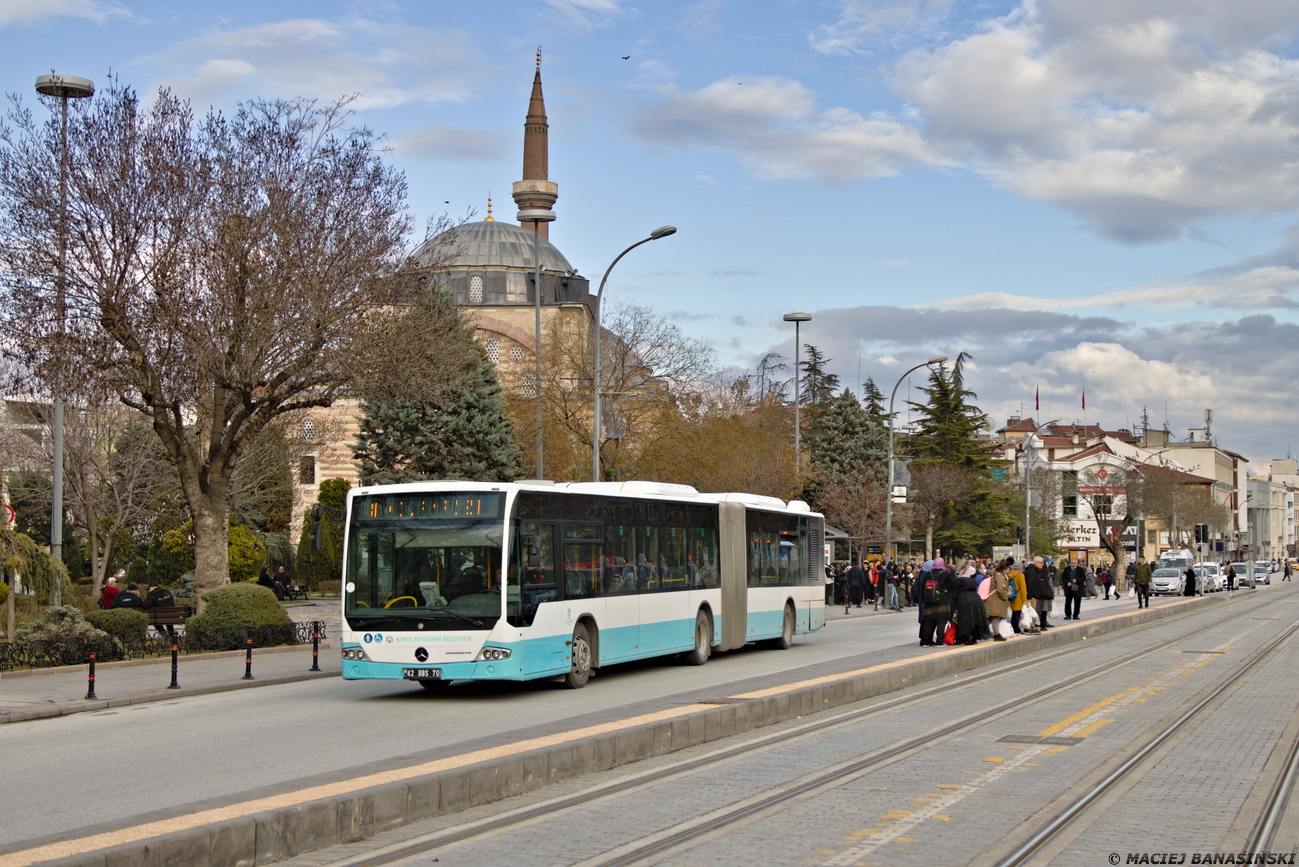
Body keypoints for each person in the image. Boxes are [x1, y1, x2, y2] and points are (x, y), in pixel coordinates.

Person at [915, 559, 948, 646]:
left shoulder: (927, 574)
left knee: (928, 621)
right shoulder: (944, 574)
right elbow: (952, 584)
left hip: (928, 600)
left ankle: (925, 641)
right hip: (941, 601)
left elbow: (922, 588)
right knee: (941, 621)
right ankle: (939, 641)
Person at [1024, 556, 1054, 630]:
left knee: (1035, 611)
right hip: (1035, 595)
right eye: (1041, 563)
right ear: (1036, 563)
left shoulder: (1034, 570)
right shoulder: (1032, 571)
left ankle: (1033, 626)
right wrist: (1029, 596)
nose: (1042, 564)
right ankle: (1031, 627)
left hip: (1038, 594)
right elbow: (1030, 584)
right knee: (1033, 611)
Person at [985, 558, 1011, 641]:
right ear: (1006, 568)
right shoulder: (1000, 576)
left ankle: (980, 631)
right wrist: (1005, 596)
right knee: (996, 617)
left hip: (993, 599)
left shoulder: (996, 574)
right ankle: (996, 634)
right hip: (996, 600)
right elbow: (1000, 589)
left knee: (991, 618)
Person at [1007, 558, 1028, 633]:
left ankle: (1013, 627)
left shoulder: (1010, 574)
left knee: (1014, 613)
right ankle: (1017, 629)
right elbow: (1023, 588)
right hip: (1018, 596)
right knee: (1018, 613)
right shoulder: (1020, 575)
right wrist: (1024, 600)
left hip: (1012, 595)